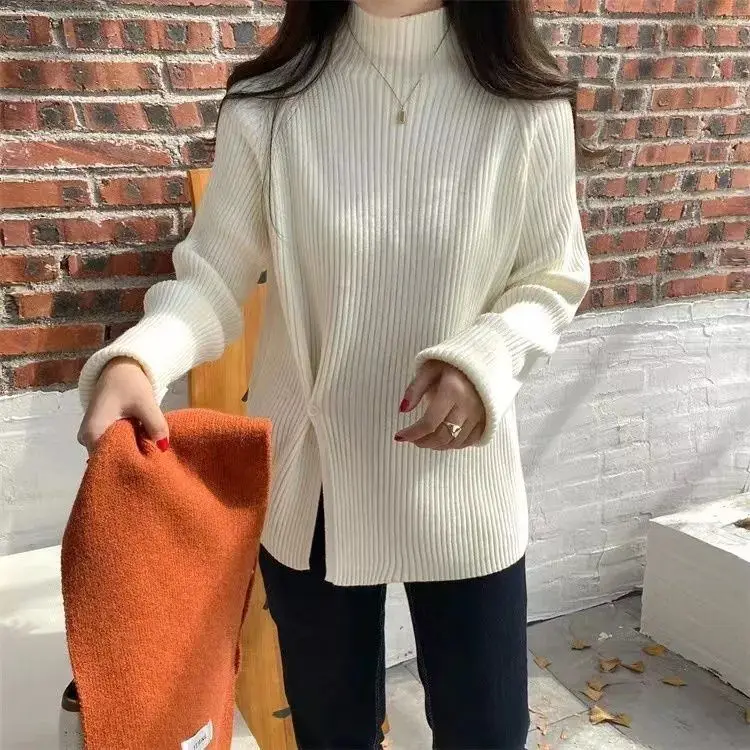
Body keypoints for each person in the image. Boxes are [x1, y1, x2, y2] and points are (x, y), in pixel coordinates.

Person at [77, 0, 590, 748]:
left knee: (488, 731)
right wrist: (140, 357)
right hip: (313, 483)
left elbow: (552, 277)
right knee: (331, 734)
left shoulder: (526, 102)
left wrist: (487, 355)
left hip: (462, 474)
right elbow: (214, 275)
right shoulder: (270, 104)